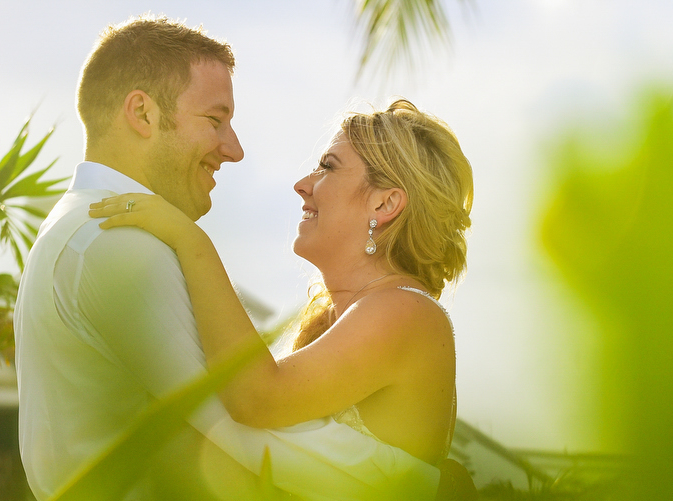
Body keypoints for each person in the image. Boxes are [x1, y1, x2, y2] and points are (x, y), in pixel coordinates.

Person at [14, 16, 441, 501]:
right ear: (143, 114)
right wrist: (421, 487)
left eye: (327, 168)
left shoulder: (85, 229)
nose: (234, 149)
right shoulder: (120, 243)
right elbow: (243, 433)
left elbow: (249, 413)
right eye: (215, 120)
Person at [88, 100, 472, 468]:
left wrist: (191, 242)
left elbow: (257, 400)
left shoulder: (407, 313)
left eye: (328, 167)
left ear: (385, 205)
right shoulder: (335, 321)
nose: (302, 184)